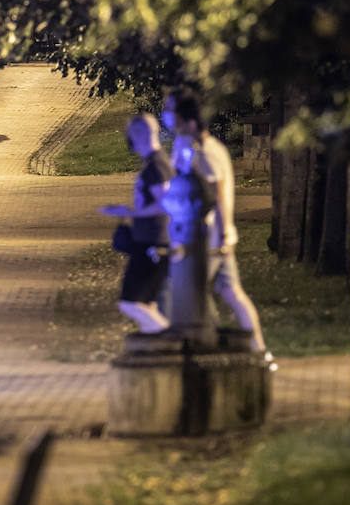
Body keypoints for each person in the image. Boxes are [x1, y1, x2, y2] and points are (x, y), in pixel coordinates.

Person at [161, 88, 269, 358]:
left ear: (189, 120)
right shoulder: (189, 147)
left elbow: (217, 197)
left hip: (207, 239)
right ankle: (255, 348)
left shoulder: (207, 152)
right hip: (209, 237)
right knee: (229, 291)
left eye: (173, 112)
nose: (169, 117)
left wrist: (223, 237)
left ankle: (214, 344)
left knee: (190, 290)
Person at [98, 114, 173, 333]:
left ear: (140, 135)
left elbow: (166, 204)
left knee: (130, 302)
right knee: (146, 304)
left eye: (130, 136)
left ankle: (171, 339)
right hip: (148, 240)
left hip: (153, 241)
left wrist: (132, 212)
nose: (129, 142)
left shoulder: (156, 166)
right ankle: (156, 348)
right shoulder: (153, 163)